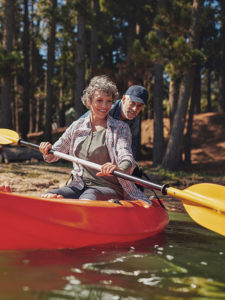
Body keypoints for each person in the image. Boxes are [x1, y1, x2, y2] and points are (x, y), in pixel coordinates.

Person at [39, 75, 150, 202]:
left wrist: (120, 168)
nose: (105, 106)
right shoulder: (77, 126)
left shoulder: (121, 128)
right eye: (99, 100)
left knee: (90, 195)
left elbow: (126, 155)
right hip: (80, 185)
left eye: (108, 101)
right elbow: (54, 154)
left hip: (109, 188)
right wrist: (47, 152)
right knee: (50, 194)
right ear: (89, 101)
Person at [81, 84, 149, 158]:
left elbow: (131, 146)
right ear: (123, 99)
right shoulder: (108, 109)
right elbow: (81, 124)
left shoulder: (135, 120)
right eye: (132, 103)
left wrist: (128, 164)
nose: (135, 109)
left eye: (139, 106)